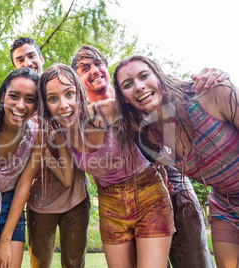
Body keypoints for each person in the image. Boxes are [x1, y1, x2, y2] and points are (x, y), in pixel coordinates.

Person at [71, 45, 220, 268]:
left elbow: (170, 92)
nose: (94, 70)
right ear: (77, 77)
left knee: (192, 257)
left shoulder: (130, 94)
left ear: (106, 66)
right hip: (120, 202)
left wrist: (212, 77)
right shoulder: (79, 117)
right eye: (85, 68)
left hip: (171, 180)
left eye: (98, 63)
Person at [38, 63, 177, 268]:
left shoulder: (109, 110)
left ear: (79, 92)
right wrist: (42, 151)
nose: (63, 105)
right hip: (110, 206)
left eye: (69, 94)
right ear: (46, 104)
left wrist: (161, 166)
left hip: (148, 195)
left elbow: (155, 127)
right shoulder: (61, 136)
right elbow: (67, 179)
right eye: (53, 98)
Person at [112, 55, 238, 268]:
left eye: (144, 76)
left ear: (158, 76)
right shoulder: (149, 134)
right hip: (225, 207)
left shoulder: (211, 93)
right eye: (128, 84)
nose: (139, 86)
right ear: (124, 97)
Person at [0, 67, 73, 268]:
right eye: (14, 96)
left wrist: (5, 240)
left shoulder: (37, 135)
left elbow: (24, 186)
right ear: (3, 96)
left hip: (12, 209)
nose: (21, 105)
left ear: (37, 105)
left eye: (30, 99)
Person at [10, 37, 90, 268]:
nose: (27, 62)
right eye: (20, 59)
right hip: (39, 204)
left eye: (31, 55)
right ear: (16, 66)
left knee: (74, 263)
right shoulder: (21, 109)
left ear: (40, 58)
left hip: (75, 200)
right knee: (39, 264)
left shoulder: (65, 94)